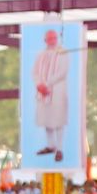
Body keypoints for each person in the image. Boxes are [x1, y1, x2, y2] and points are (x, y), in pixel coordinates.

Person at [30, 27, 73, 165]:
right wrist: (39, 84)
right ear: (45, 40)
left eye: (54, 38)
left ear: (57, 39)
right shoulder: (41, 54)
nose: (52, 41)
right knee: (47, 118)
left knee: (58, 119)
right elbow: (35, 72)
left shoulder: (63, 52)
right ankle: (50, 146)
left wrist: (47, 84)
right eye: (49, 38)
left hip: (58, 90)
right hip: (43, 91)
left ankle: (59, 149)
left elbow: (62, 72)